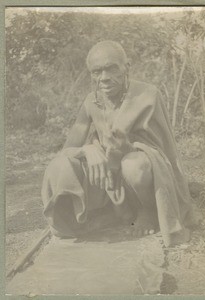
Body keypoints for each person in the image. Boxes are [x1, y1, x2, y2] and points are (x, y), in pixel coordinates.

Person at [41, 40, 196, 247]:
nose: (104, 78)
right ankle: (86, 218)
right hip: (107, 178)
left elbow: (164, 151)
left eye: (111, 68)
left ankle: (148, 210)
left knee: (133, 164)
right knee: (59, 165)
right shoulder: (91, 101)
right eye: (97, 72)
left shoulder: (148, 95)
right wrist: (88, 150)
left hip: (144, 177)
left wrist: (127, 150)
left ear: (126, 67)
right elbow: (67, 151)